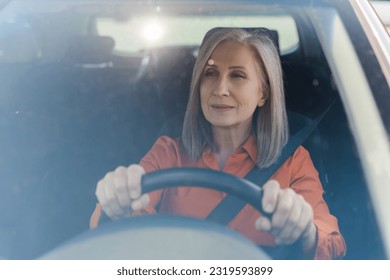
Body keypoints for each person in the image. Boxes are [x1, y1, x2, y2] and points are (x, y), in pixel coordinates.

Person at [89, 28, 346, 259]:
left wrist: (304, 232)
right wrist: (118, 201)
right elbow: (121, 220)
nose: (220, 89)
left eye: (237, 76)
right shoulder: (169, 152)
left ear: (263, 93)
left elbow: (331, 243)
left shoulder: (294, 161)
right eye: (210, 73)